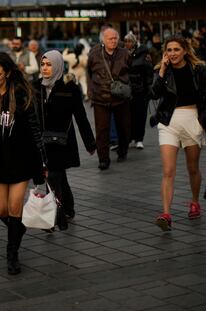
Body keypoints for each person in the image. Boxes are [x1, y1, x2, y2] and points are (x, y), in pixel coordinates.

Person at [0, 52, 46, 275]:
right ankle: (18, 229)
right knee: (0, 209)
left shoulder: (21, 94)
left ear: (7, 73)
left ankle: (12, 254)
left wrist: (42, 159)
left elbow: (35, 128)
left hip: (21, 158)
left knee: (15, 206)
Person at [150, 35, 206, 231]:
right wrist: (163, 70)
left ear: (184, 50)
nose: (172, 53)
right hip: (168, 122)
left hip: (192, 120)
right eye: (169, 50)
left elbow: (205, 97)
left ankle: (194, 201)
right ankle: (166, 214)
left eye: (176, 49)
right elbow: (154, 94)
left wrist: (202, 121)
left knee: (193, 169)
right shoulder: (162, 71)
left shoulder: (198, 70)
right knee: (168, 171)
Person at [33, 50, 96, 221]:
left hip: (62, 142)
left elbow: (81, 118)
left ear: (58, 66)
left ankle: (52, 216)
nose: (45, 68)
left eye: (49, 65)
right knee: (59, 176)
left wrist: (90, 143)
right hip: (42, 142)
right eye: (43, 64)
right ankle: (68, 208)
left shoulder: (70, 88)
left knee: (53, 176)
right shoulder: (35, 87)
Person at [87, 27, 131, 170]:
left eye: (115, 38)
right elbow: (89, 72)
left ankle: (123, 150)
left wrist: (129, 89)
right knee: (102, 130)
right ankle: (103, 159)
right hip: (100, 97)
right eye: (110, 38)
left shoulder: (125, 53)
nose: (113, 41)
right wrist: (91, 91)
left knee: (124, 127)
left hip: (120, 97)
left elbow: (131, 72)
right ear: (103, 40)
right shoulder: (94, 53)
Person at [124, 33, 154, 149]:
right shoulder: (122, 53)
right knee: (128, 115)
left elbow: (149, 71)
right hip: (127, 90)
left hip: (141, 90)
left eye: (129, 41)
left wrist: (148, 87)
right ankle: (130, 137)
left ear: (134, 42)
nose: (127, 44)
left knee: (140, 115)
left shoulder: (144, 53)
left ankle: (139, 139)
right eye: (125, 41)